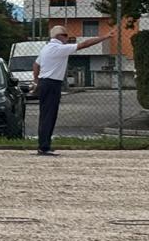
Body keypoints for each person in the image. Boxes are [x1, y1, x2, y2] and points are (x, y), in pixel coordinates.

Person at [31, 25, 105, 155]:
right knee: (50, 115)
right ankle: (44, 147)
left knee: (45, 115)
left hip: (44, 82)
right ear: (59, 36)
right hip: (52, 83)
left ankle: (43, 145)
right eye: (65, 36)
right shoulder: (59, 48)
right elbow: (84, 45)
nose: (67, 38)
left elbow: (36, 65)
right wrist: (103, 37)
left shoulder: (46, 48)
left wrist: (37, 80)